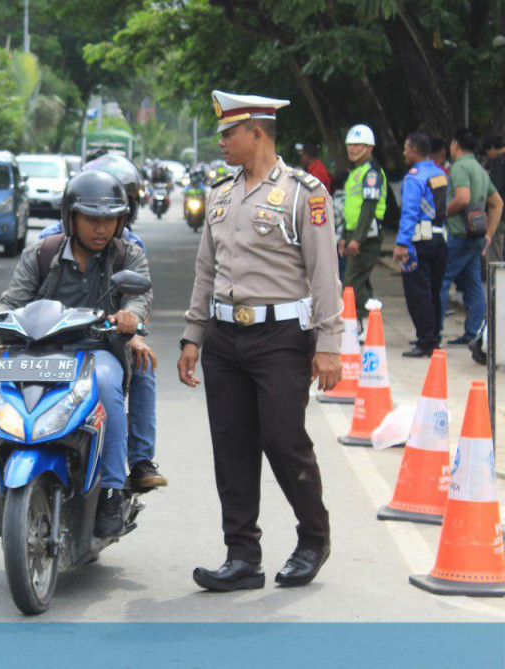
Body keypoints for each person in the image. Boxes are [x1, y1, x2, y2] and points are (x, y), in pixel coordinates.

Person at [178, 90, 342, 591]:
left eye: (228, 133)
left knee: (283, 440)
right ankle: (242, 555)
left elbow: (324, 273)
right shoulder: (222, 192)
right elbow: (207, 269)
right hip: (225, 337)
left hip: (280, 338)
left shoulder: (304, 193)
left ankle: (313, 538)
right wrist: (193, 334)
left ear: (257, 133)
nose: (221, 141)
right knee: (231, 446)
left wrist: (329, 344)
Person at [0, 156, 167, 500]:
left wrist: (130, 318)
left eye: (109, 220)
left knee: (106, 381)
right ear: (71, 218)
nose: (101, 229)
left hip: (97, 349)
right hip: (40, 348)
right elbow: (12, 301)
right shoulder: (42, 252)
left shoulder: (128, 255)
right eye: (91, 219)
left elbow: (138, 298)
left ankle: (114, 488)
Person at [439, 129, 504, 345]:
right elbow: (497, 203)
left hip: (460, 235)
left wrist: (442, 212)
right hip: (476, 236)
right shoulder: (479, 168)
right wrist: (488, 235)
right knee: (474, 283)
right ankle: (475, 331)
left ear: (455, 145)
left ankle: (432, 333)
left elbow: (463, 198)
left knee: (442, 281)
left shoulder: (459, 167)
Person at [394, 132, 449, 357]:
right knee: (434, 290)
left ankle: (425, 342)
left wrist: (401, 243)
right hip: (441, 238)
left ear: (415, 150)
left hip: (419, 241)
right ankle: (434, 337)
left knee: (418, 292)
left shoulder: (414, 177)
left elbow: (409, 212)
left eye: (406, 148)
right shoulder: (440, 173)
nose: (404, 153)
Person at [338, 124, 387, 327]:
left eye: (358, 145)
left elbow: (368, 207)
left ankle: (365, 315)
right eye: (350, 145)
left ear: (369, 148)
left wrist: (357, 238)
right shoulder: (356, 172)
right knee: (361, 281)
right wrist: (345, 236)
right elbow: (350, 208)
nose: (352, 149)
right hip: (353, 233)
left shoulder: (371, 174)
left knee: (350, 283)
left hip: (367, 235)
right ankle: (366, 321)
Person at [479, 134, 505, 262]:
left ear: (493, 147)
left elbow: (494, 187)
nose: (488, 155)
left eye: (487, 152)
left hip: (500, 215)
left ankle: (498, 281)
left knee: (495, 255)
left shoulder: (499, 162)